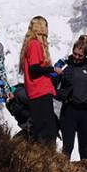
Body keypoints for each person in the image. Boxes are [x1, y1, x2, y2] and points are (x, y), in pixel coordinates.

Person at [56, 35, 87, 161]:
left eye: (80, 55)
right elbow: (53, 83)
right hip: (69, 110)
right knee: (67, 148)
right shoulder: (64, 64)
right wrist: (59, 95)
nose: (76, 57)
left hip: (86, 112)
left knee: (85, 151)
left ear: (86, 55)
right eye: (75, 54)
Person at [18, 16, 62, 145]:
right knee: (46, 127)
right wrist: (52, 69)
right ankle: (45, 153)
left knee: (41, 124)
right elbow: (34, 69)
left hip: (36, 90)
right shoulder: (35, 44)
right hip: (40, 90)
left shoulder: (30, 44)